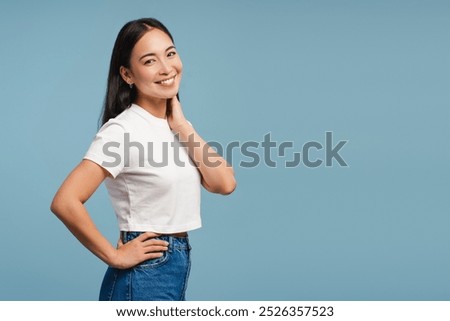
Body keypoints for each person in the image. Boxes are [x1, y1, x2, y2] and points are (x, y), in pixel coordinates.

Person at [50, 17, 236, 301]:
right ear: (127, 75)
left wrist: (183, 126)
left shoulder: (174, 127)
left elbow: (224, 183)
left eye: (170, 54)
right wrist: (114, 255)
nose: (166, 68)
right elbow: (65, 201)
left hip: (171, 267)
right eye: (150, 61)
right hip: (146, 274)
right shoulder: (123, 130)